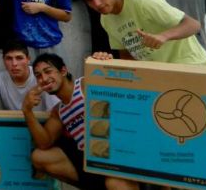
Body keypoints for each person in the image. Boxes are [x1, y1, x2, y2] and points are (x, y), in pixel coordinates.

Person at [22, 54, 138, 190]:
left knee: (115, 184)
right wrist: (27, 110)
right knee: (38, 157)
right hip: (92, 162)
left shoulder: (85, 85)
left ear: (63, 71)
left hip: (120, 154)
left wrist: (104, 59)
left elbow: (117, 81)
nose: (44, 78)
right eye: (38, 76)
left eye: (48, 71)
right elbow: (44, 143)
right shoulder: (58, 111)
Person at [72, 0, 206, 69]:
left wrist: (163, 36)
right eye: (89, 0)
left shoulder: (141, 0)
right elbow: (126, 57)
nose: (97, 4)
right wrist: (107, 62)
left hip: (193, 67)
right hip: (160, 77)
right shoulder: (105, 20)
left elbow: (193, 24)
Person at [0, 42, 59, 113]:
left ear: (28, 60)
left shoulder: (42, 78)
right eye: (9, 58)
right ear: (3, 60)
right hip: (12, 127)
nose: (14, 64)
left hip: (42, 126)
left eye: (19, 58)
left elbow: (55, 111)